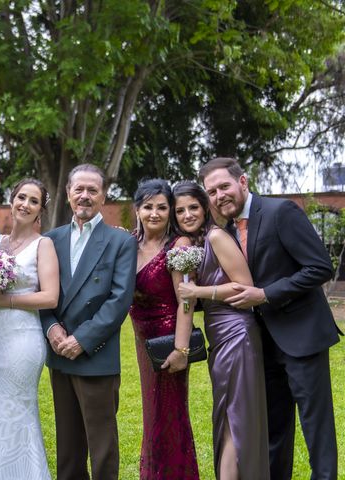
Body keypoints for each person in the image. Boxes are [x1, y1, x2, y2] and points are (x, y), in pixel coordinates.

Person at [199, 157, 341, 480]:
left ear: (243, 182)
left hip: (302, 338)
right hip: (261, 346)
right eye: (212, 191)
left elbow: (320, 267)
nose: (220, 195)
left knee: (315, 428)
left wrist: (264, 294)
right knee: (274, 431)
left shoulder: (280, 212)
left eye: (224, 186)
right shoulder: (227, 232)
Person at [40, 164, 136, 480]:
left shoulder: (120, 242)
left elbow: (119, 300)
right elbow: (42, 292)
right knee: (68, 447)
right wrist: (52, 328)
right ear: (67, 193)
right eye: (78, 189)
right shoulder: (49, 240)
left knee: (102, 445)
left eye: (92, 190)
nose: (85, 196)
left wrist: (82, 339)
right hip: (59, 354)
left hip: (96, 355)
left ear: (103, 196)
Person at [174, 180, 269, 479]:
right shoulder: (194, 245)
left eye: (193, 207)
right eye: (180, 211)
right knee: (227, 413)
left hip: (238, 333)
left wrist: (199, 292)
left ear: (205, 208)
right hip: (219, 336)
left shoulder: (216, 237)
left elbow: (246, 287)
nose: (187, 214)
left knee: (234, 417)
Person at [0, 178, 59, 480]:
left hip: (21, 340)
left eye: (33, 200)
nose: (25, 204)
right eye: (21, 197)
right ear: (11, 201)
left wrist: (5, 299)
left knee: (18, 414)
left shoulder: (43, 244)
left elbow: (50, 296)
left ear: (40, 211)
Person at [129, 179, 199, 479]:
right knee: (151, 414)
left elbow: (187, 301)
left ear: (171, 211)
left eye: (161, 207)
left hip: (169, 340)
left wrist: (181, 350)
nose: (154, 213)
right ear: (137, 209)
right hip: (141, 338)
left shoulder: (178, 246)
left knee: (169, 415)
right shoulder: (129, 243)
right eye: (148, 207)